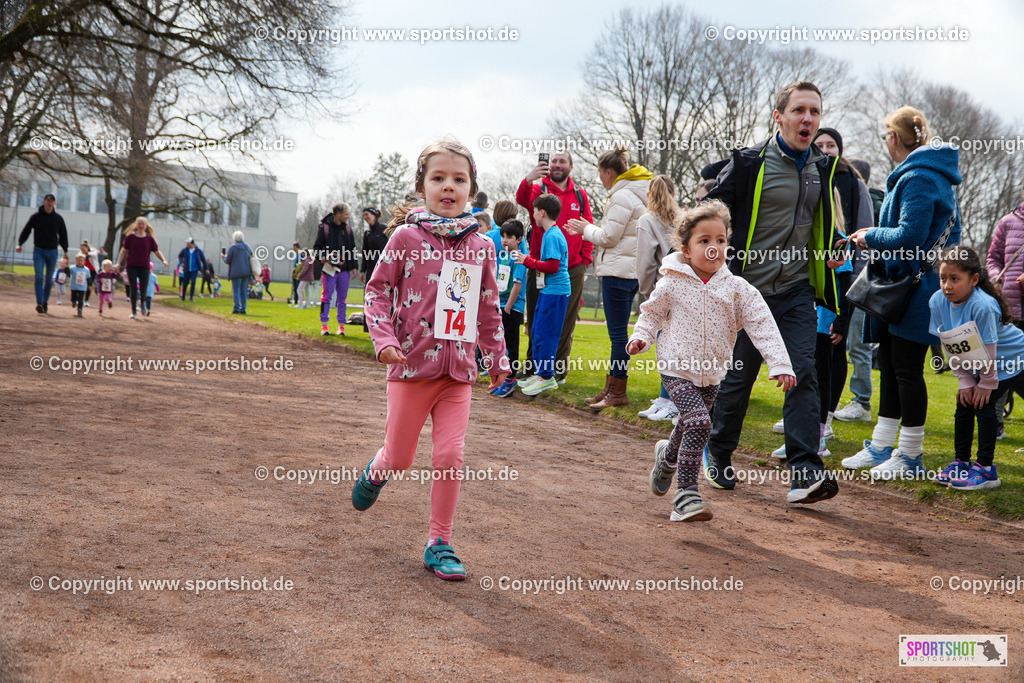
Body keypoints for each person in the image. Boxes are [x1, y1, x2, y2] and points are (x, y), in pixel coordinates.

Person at [352, 139, 510, 581]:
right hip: (410, 370)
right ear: (421, 186)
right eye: (438, 178)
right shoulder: (404, 238)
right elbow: (376, 292)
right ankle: (378, 469)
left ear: (471, 190)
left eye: (459, 179)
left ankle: (439, 541)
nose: (448, 186)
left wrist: (497, 359)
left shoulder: (481, 246)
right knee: (401, 458)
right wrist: (383, 340)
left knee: (450, 456)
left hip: (457, 375)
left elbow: (487, 307)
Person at [701, 80, 846, 504]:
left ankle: (805, 473)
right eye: (799, 110)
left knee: (802, 372)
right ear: (778, 116)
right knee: (737, 380)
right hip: (749, 292)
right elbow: (712, 211)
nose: (808, 119)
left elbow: (818, 226)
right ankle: (717, 450)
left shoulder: (823, 168)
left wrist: (833, 247)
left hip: (797, 290)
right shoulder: (749, 163)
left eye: (815, 112)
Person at [628, 201, 795, 521]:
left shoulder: (736, 289)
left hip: (713, 373)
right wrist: (642, 338)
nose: (714, 247)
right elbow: (651, 314)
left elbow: (763, 324)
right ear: (686, 249)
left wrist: (780, 363)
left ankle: (666, 457)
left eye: (720, 240)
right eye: (704, 241)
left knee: (689, 424)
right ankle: (686, 495)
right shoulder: (672, 281)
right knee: (700, 423)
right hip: (676, 368)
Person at [846, 106, 962, 479]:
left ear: (894, 139)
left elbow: (909, 236)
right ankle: (882, 446)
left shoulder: (920, 177)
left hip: (916, 287)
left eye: (886, 136)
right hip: (908, 286)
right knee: (894, 368)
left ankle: (910, 456)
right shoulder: (925, 174)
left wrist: (869, 235)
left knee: (908, 371)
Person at [928, 247, 1024, 490]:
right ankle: (961, 462)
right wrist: (965, 381)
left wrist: (986, 383)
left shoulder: (984, 305)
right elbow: (951, 343)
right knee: (964, 403)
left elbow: (989, 351)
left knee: (985, 405)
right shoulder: (937, 301)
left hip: (1012, 359)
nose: (947, 285)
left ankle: (987, 470)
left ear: (974, 280)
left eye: (955, 279)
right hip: (979, 360)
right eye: (943, 278)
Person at [566, 148, 652, 411]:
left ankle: (617, 390)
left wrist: (586, 229)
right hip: (631, 272)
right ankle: (612, 387)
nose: (601, 179)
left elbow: (609, 237)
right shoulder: (640, 191)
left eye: (601, 173)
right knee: (619, 334)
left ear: (609, 172)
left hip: (617, 272)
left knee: (617, 336)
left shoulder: (621, 196)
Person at [516, 152, 594, 383]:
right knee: (537, 320)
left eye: (562, 162)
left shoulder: (579, 195)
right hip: (539, 267)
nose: (557, 165)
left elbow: (587, 228)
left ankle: (557, 370)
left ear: (571, 166)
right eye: (554, 161)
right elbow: (522, 198)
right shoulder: (539, 190)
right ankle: (533, 367)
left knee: (564, 321)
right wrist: (529, 179)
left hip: (571, 269)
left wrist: (584, 259)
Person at [835, 158, 880, 423]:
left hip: (862, 281)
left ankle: (862, 402)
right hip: (852, 278)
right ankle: (854, 399)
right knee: (849, 343)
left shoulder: (866, 199)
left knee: (859, 345)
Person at [635, 174, 682, 422]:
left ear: (649, 195)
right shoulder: (683, 219)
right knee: (673, 346)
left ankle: (672, 400)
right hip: (685, 288)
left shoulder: (647, 220)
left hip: (662, 289)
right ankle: (665, 399)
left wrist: (646, 291)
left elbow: (644, 263)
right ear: (673, 193)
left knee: (666, 348)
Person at [514, 194, 570, 397]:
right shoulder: (550, 234)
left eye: (535, 211)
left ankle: (546, 377)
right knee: (537, 330)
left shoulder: (553, 235)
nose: (533, 215)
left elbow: (553, 266)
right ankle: (540, 374)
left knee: (546, 334)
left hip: (556, 292)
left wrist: (527, 261)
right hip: (549, 291)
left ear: (542, 212)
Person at [986, 187, 1024, 437]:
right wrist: (994, 279)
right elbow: (993, 258)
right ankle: (995, 423)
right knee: (1002, 366)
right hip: (1010, 309)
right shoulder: (1008, 222)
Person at [491, 219, 527, 397]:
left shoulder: (519, 259)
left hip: (512, 308)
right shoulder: (503, 255)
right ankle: (503, 378)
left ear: (519, 239)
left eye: (510, 237)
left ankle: (511, 379)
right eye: (503, 236)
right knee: (501, 344)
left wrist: (507, 308)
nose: (505, 240)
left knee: (511, 345)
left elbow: (517, 285)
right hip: (501, 305)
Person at [16, 192, 68, 313]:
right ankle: (39, 303)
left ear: (54, 203)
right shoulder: (36, 217)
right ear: (44, 202)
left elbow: (63, 236)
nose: (50, 203)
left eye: (52, 201)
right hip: (38, 250)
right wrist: (20, 243)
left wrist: (65, 250)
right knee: (39, 276)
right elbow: (26, 230)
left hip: (52, 252)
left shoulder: (58, 219)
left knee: (49, 280)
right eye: (48, 201)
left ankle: (45, 302)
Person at [313, 203, 358, 336]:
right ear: (338, 214)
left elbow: (352, 249)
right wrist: (323, 257)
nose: (348, 216)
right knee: (326, 297)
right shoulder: (324, 228)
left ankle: (341, 326)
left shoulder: (348, 229)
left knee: (342, 299)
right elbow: (316, 247)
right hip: (329, 269)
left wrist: (354, 266)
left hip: (344, 270)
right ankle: (324, 325)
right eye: (346, 213)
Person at [116, 217, 168, 319]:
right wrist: (118, 263)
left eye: (143, 224)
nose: (141, 225)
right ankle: (134, 312)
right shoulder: (130, 237)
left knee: (144, 288)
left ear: (145, 226)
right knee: (134, 288)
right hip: (131, 266)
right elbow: (123, 251)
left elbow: (156, 251)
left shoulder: (149, 239)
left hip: (144, 266)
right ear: (136, 225)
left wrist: (163, 260)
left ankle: (143, 303)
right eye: (139, 224)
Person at [223, 231, 254, 315]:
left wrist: (223, 257)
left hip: (236, 272)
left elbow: (228, 260)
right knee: (243, 290)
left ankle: (236, 308)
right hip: (246, 272)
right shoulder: (247, 247)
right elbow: (251, 256)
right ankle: (243, 308)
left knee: (236, 290)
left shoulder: (233, 248)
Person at [360, 208, 389, 285]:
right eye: (364, 216)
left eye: (367, 214)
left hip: (384, 268)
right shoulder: (367, 233)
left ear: (374, 215)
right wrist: (362, 271)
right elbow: (365, 253)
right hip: (371, 269)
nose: (365, 217)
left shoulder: (385, 229)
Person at [177, 237, 208, 302]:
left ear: (192, 243)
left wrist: (206, 268)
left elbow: (203, 259)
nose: (187, 244)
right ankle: (183, 296)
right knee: (185, 283)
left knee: (193, 282)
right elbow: (180, 256)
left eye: (188, 243)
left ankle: (191, 297)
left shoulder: (198, 251)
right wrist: (182, 262)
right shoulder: (185, 250)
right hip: (187, 269)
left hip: (194, 269)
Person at [79, 240, 99, 307]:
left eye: (84, 249)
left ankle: (86, 301)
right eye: (81, 249)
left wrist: (87, 253)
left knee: (89, 285)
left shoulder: (93, 251)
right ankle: (79, 299)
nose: (82, 251)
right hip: (84, 270)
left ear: (87, 248)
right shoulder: (81, 253)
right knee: (81, 284)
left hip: (92, 271)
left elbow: (95, 254)